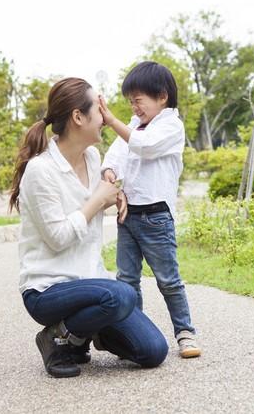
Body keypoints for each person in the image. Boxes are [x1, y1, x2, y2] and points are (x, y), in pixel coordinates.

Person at [9, 77, 168, 378]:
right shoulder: (41, 171)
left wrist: (114, 197)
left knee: (153, 350)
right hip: (48, 289)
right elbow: (57, 238)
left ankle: (84, 332)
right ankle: (57, 336)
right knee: (122, 295)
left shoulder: (92, 157)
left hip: (91, 283)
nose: (105, 119)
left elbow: (95, 201)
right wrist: (98, 200)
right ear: (78, 117)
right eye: (99, 109)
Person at [99, 61, 201, 358]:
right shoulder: (133, 125)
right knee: (127, 281)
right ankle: (134, 335)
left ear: (162, 96)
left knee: (168, 281)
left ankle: (185, 333)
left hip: (156, 216)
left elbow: (145, 146)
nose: (134, 107)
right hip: (128, 216)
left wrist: (111, 120)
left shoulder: (170, 126)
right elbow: (115, 155)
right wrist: (108, 171)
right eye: (130, 101)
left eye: (138, 100)